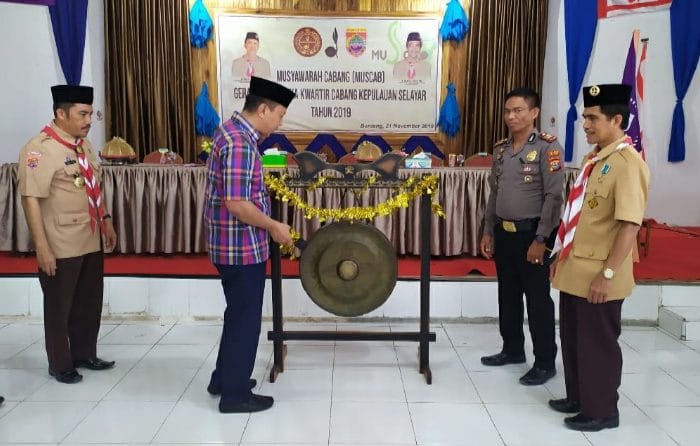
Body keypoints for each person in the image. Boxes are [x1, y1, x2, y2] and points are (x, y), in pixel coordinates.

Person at [548, 84, 649, 432]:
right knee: (574, 339)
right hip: (575, 268)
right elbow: (580, 217)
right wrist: (560, 257)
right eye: (585, 117)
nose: (586, 125)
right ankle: (579, 398)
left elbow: (629, 226)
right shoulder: (595, 160)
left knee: (598, 344)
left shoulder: (628, 164)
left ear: (616, 119)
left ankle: (602, 410)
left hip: (600, 274)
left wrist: (606, 275)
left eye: (593, 118)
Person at [204, 76, 295, 413]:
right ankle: (235, 396)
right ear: (263, 109)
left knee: (237, 315)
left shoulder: (230, 131)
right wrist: (273, 226)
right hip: (240, 247)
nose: (280, 123)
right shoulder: (240, 143)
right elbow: (238, 204)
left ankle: (224, 379)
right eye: (280, 115)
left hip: (231, 244)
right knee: (245, 319)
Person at [18, 85, 117, 384]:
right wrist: (42, 247)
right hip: (60, 241)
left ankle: (84, 353)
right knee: (59, 306)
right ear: (61, 114)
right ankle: (60, 364)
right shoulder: (40, 149)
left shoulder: (83, 145)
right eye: (82, 114)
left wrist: (106, 219)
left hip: (90, 235)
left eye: (90, 114)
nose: (89, 121)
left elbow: (93, 187)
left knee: (89, 300)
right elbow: (30, 198)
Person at [480, 87, 564, 386]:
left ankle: (545, 362)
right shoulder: (501, 149)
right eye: (507, 111)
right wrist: (488, 230)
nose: (511, 116)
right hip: (504, 233)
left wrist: (541, 239)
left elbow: (554, 197)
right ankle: (513, 349)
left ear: (534, 113)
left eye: (518, 110)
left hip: (532, 235)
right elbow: (495, 193)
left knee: (537, 300)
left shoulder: (547, 147)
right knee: (508, 295)